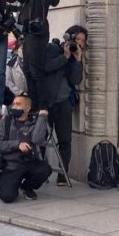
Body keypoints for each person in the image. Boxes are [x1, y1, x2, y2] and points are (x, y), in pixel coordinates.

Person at [41, 26, 85, 185]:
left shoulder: (75, 57)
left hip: (64, 103)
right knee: (41, 139)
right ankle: (41, 172)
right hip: (48, 103)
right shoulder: (53, 49)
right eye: (77, 39)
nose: (79, 43)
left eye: (82, 41)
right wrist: (64, 56)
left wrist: (77, 60)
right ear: (69, 37)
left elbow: (75, 80)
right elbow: (46, 67)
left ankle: (62, 174)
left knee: (65, 140)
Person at [16, 0, 61, 109]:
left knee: (32, 71)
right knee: (34, 70)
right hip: (42, 29)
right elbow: (56, 2)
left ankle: (39, 108)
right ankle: (38, 106)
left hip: (32, 30)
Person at [0, 95, 51, 202]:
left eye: (18, 104)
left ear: (27, 108)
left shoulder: (33, 122)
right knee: (7, 197)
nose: (14, 107)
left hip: (29, 162)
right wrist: (17, 144)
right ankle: (13, 183)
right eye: (13, 104)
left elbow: (38, 140)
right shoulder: (6, 122)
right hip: (11, 165)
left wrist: (42, 118)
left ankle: (27, 187)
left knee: (45, 169)